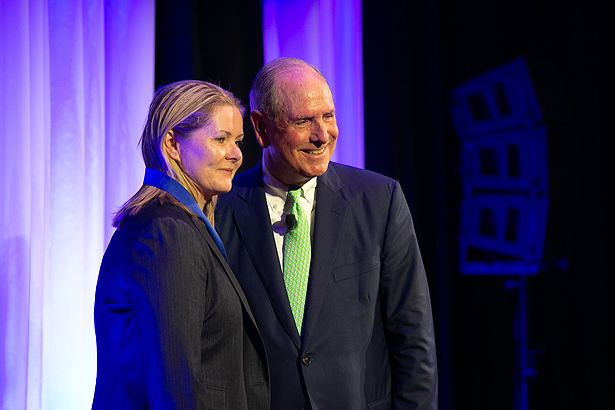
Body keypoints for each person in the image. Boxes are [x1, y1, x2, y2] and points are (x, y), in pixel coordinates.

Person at [215, 57, 438, 410]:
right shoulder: (220, 210)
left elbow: (413, 338)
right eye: (304, 121)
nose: (322, 135)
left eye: (329, 116)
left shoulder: (379, 200)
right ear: (260, 128)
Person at [93, 80, 268, 410]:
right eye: (221, 139)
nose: (236, 155)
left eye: (238, 141)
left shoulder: (176, 226)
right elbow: (175, 385)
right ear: (173, 144)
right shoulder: (165, 234)